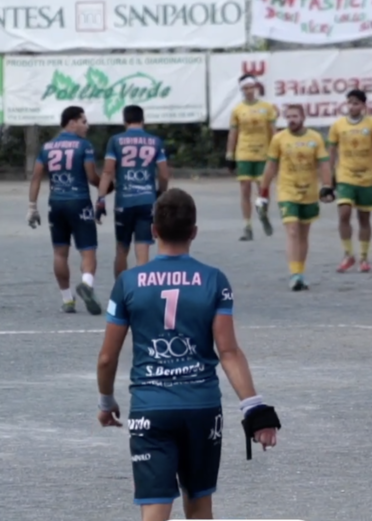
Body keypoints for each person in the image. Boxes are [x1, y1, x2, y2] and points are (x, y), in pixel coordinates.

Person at [95, 188, 281, 521]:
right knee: (199, 506)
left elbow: (107, 358)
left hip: (151, 408)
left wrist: (106, 401)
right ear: (194, 231)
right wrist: (254, 406)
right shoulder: (214, 280)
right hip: (201, 408)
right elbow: (228, 351)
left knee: (155, 508)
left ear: (153, 230)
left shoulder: (128, 282)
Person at [26, 105, 105, 314]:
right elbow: (92, 177)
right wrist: (107, 186)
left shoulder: (47, 147)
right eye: (84, 122)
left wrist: (32, 207)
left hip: (56, 203)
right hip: (79, 202)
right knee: (88, 250)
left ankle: (67, 299)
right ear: (72, 122)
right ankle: (86, 284)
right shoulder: (84, 146)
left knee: (60, 253)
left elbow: (36, 178)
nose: (87, 126)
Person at [256, 104, 336, 291]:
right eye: (288, 117)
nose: (291, 120)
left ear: (303, 118)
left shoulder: (315, 138)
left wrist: (327, 186)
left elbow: (324, 164)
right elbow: (271, 166)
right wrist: (263, 191)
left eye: (295, 116)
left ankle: (300, 270)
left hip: (309, 191)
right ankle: (294, 275)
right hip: (287, 191)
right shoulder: (279, 139)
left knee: (303, 233)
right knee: (292, 230)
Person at [97, 105, 171, 280]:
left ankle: (121, 289)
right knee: (143, 249)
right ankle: (141, 291)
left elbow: (107, 172)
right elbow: (164, 174)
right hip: (147, 200)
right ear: (143, 120)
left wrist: (101, 199)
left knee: (122, 249)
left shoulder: (115, 141)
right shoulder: (155, 141)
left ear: (125, 121)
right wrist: (161, 193)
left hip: (124, 201)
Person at [327, 89, 372, 273]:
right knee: (344, 213)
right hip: (345, 176)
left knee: (364, 218)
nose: (352, 106)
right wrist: (328, 177)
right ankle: (348, 254)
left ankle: (363, 258)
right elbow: (331, 152)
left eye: (356, 103)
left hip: (367, 177)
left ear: (363, 105)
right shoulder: (338, 126)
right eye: (349, 103)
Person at [225, 74, 279, 241]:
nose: (249, 91)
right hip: (244, 153)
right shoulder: (237, 110)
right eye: (245, 88)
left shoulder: (267, 108)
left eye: (251, 88)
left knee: (263, 189)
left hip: (263, 153)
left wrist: (277, 152)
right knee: (245, 190)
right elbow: (233, 133)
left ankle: (263, 214)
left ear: (256, 88)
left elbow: (273, 132)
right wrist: (229, 154)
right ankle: (247, 226)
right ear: (242, 90)